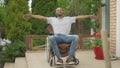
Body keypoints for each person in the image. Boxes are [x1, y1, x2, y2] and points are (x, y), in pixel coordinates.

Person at [23, 7, 96, 63]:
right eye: (58, 10)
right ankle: (58, 58)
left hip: (67, 37)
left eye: (61, 10)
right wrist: (31, 15)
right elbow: (42, 17)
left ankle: (70, 57)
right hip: (57, 37)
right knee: (51, 38)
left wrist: (89, 16)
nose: (59, 11)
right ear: (56, 12)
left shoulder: (68, 19)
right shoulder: (52, 19)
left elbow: (79, 17)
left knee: (76, 37)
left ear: (62, 12)